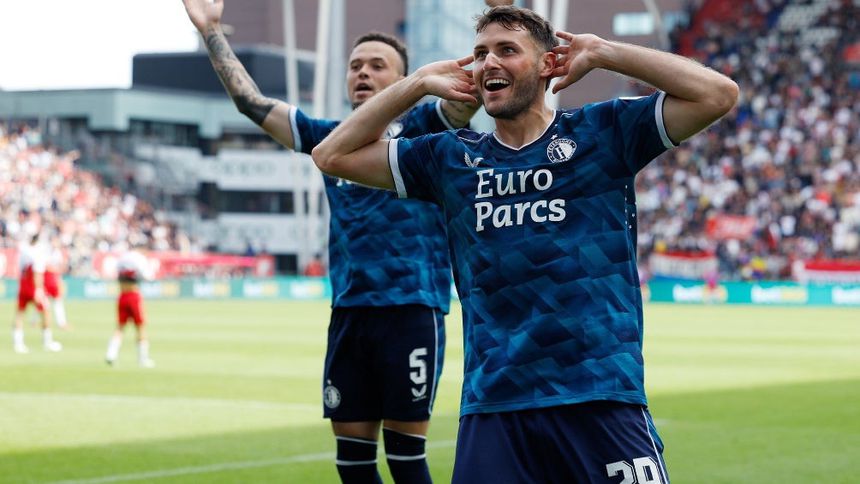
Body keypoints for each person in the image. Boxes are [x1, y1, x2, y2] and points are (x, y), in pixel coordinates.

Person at [312, 5, 739, 482]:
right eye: (480, 54)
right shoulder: (450, 157)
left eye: (507, 50)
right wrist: (416, 84)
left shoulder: (603, 132)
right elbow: (331, 154)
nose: (489, 62)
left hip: (598, 395)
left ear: (547, 64)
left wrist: (604, 51)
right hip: (494, 409)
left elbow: (718, 93)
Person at [182, 1, 478, 482]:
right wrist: (211, 31)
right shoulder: (330, 140)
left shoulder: (424, 128)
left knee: (406, 460)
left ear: (403, 81)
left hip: (410, 310)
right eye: (355, 65)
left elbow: (468, 99)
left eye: (378, 66)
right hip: (348, 313)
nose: (363, 73)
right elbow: (252, 103)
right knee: (352, 463)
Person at [105, 246, 155, 368]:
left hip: (122, 295)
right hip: (134, 295)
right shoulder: (140, 259)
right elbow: (148, 276)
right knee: (140, 327)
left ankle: (111, 354)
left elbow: (116, 273)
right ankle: (143, 359)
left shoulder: (122, 258)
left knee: (120, 327)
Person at [12, 233, 63, 353]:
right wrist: (39, 289)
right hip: (33, 287)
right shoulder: (38, 253)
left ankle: (18, 344)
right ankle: (47, 342)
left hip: (23, 285)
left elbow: (20, 270)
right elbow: (37, 273)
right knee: (46, 312)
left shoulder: (24, 251)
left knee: (20, 313)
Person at [44, 236, 70, 330]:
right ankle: (35, 321)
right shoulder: (46, 252)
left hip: (54, 280)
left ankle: (61, 323)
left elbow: (62, 267)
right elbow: (45, 266)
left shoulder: (58, 253)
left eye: (57, 242)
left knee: (57, 301)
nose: (55, 244)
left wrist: (60, 274)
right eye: (54, 241)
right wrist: (56, 270)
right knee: (44, 301)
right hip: (46, 279)